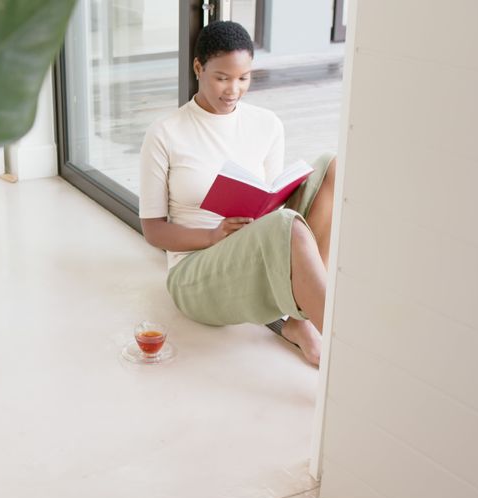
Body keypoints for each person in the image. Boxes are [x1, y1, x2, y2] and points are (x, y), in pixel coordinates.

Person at [138, 21, 337, 366]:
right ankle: (344, 347)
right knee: (285, 224)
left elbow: (271, 196)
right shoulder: (165, 133)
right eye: (222, 78)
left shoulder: (267, 124)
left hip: (253, 244)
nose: (233, 89)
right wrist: (214, 235)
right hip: (194, 271)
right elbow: (153, 230)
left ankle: (300, 322)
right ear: (199, 68)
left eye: (244, 78)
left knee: (329, 165)